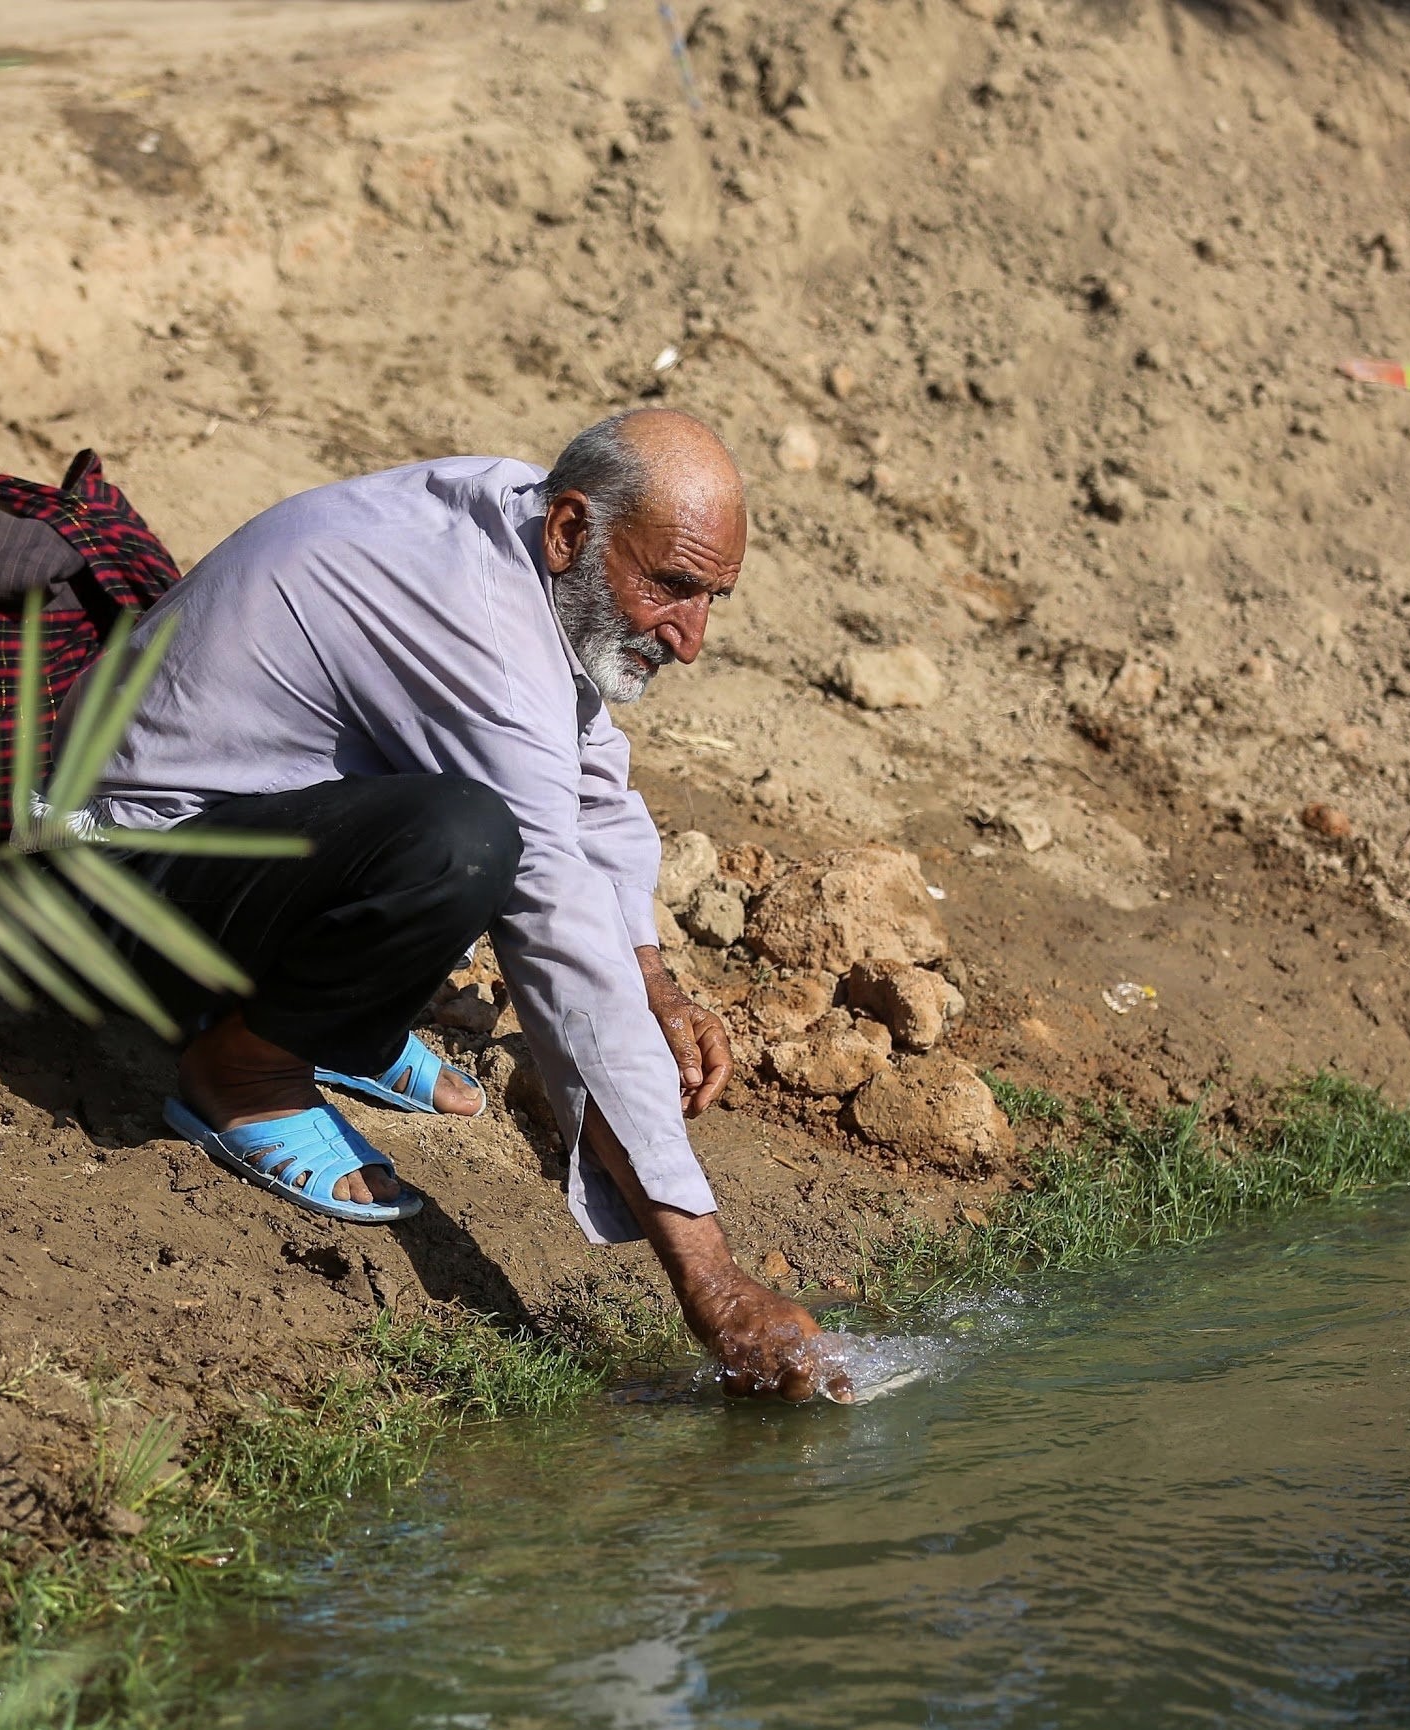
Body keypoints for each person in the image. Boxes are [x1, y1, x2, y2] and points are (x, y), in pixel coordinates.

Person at [80, 408, 843, 1401]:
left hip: (233, 844)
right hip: (108, 890)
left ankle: (330, 1020)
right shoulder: (471, 611)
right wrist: (710, 1279)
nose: (690, 638)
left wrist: (653, 978)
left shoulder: (527, 529)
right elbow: (554, 933)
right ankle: (244, 1068)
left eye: (712, 599)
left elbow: (589, 779)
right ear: (572, 530)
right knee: (469, 841)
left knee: (479, 828)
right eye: (671, 588)